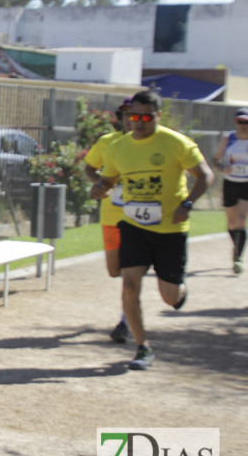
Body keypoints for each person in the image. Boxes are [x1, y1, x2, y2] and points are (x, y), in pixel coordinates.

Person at [91, 91, 213, 371]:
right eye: (135, 117)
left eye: (146, 117)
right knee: (129, 284)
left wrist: (188, 203)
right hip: (134, 225)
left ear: (157, 116)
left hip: (170, 228)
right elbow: (108, 179)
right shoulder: (119, 147)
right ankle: (142, 346)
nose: (139, 123)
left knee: (169, 297)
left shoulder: (176, 143)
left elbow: (206, 175)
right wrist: (100, 187)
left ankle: (179, 292)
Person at [83, 100, 133, 343]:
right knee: (115, 271)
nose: (131, 119)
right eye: (126, 115)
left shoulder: (157, 143)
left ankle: (125, 321)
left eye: (136, 115)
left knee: (131, 273)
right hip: (112, 216)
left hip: (140, 221)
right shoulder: (107, 141)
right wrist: (101, 183)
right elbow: (90, 167)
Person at [212, 106, 248, 274]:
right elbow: (216, 160)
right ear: (236, 121)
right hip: (230, 183)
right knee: (232, 223)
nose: (244, 125)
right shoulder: (229, 139)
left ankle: (238, 258)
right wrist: (222, 168)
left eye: (247, 122)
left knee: (241, 221)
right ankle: (236, 246)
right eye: (241, 121)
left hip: (246, 184)